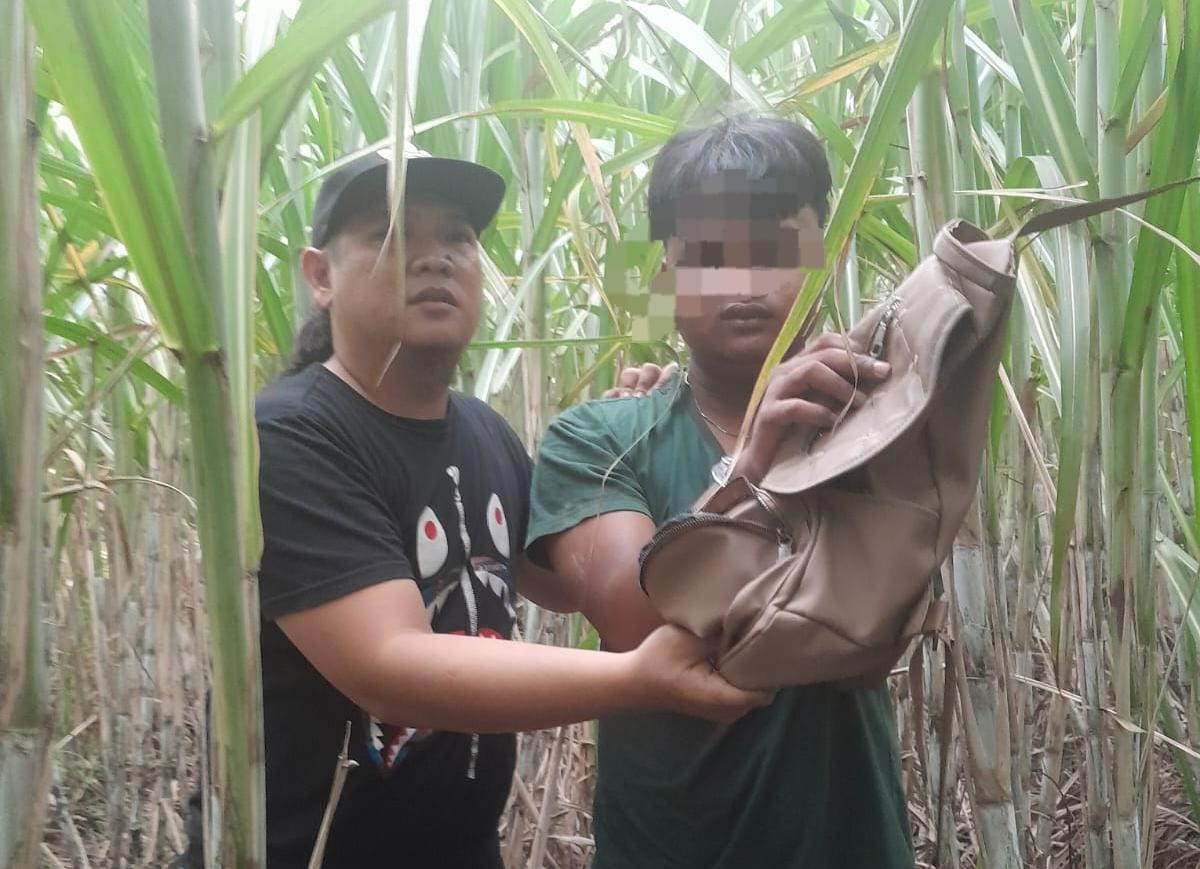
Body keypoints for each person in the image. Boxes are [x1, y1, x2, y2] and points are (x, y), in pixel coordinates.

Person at [177, 151, 768, 869]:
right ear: (320, 276)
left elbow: (559, 582)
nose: (434, 258)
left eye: (456, 236)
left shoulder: (484, 430)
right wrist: (635, 679)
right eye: (391, 236)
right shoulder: (290, 435)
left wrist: (628, 444)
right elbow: (388, 663)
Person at [526, 114, 911, 868]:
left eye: (775, 250)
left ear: (827, 258)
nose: (742, 282)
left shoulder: (877, 423)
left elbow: (866, 656)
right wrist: (752, 464)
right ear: (662, 277)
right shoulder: (598, 439)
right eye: (707, 256)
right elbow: (639, 628)